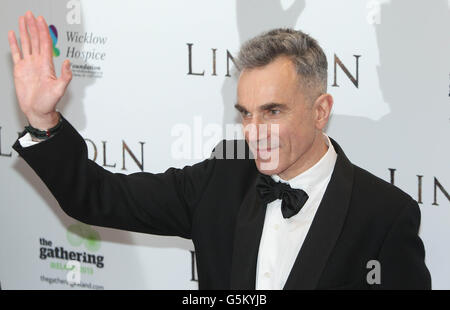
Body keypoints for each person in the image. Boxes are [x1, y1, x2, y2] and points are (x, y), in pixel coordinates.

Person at [8, 11, 431, 289]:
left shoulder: (385, 215)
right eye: (245, 113)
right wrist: (43, 121)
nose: (254, 132)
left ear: (321, 110)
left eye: (272, 111)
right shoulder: (222, 179)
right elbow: (99, 198)